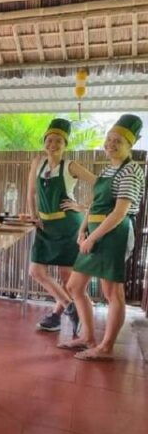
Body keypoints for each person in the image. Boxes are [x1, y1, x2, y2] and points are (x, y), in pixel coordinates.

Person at [63, 115, 145, 361]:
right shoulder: (108, 169)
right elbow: (96, 205)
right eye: (109, 139)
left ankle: (106, 347)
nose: (110, 144)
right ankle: (87, 337)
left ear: (130, 145)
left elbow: (119, 213)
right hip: (95, 232)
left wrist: (92, 238)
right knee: (74, 286)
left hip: (114, 234)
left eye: (118, 141)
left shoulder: (131, 170)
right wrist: (83, 229)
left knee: (112, 292)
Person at [27, 119, 95, 332]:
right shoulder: (38, 162)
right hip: (45, 226)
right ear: (44, 142)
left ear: (65, 144)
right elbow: (31, 192)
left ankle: (57, 316)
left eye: (58, 140)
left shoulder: (71, 166)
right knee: (36, 271)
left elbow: (101, 185)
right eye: (49, 139)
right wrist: (33, 215)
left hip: (68, 226)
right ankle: (69, 307)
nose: (53, 144)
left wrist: (82, 206)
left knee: (67, 278)